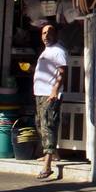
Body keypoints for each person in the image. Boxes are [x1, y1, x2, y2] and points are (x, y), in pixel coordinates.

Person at [33, 23, 68, 181]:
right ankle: (54, 154)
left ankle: (47, 166)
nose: (46, 36)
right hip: (40, 93)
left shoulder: (58, 51)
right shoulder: (47, 51)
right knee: (40, 123)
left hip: (50, 94)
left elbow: (62, 72)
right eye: (43, 33)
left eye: (49, 33)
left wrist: (55, 90)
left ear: (56, 35)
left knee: (48, 126)